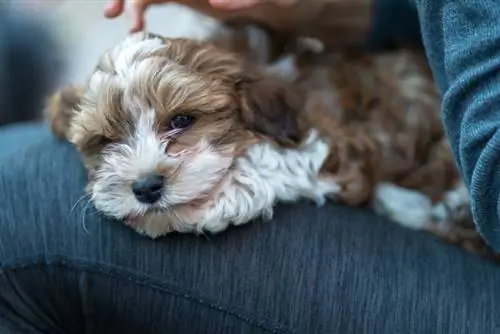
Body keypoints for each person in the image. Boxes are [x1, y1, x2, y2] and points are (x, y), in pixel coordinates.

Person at [1, 0, 500, 333]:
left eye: (180, 122)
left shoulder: (293, 117)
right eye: (109, 140)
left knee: (14, 203)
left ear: (253, 106)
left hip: (475, 243)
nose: (146, 170)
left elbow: (327, 156)